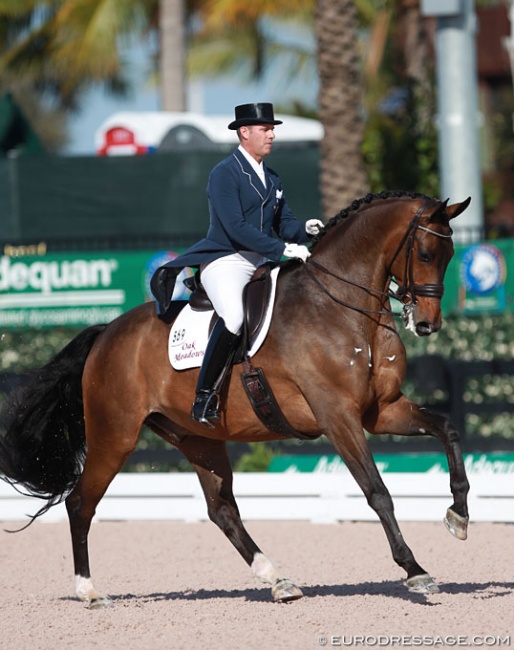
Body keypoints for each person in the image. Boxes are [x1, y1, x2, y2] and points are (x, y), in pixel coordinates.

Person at [150, 102, 323, 427]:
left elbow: (284, 223)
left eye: (272, 129)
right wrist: (281, 249)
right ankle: (204, 397)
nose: (271, 134)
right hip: (225, 260)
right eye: (265, 129)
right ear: (245, 133)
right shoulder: (224, 173)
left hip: (261, 260)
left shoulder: (272, 176)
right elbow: (235, 228)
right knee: (233, 317)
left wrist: (305, 230)